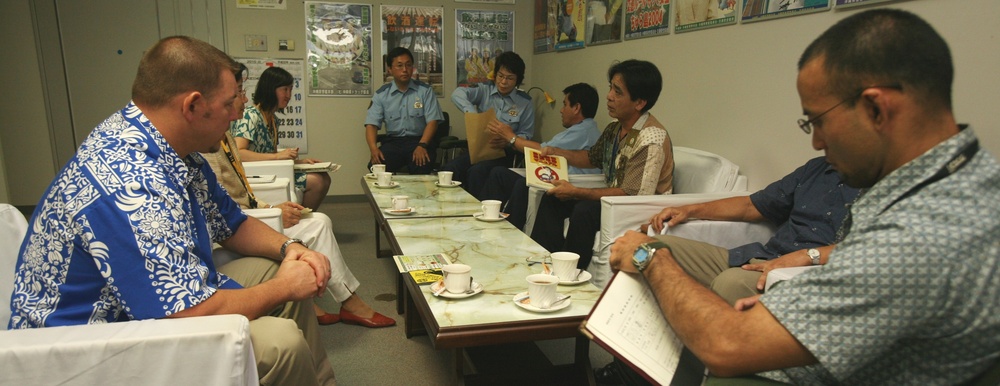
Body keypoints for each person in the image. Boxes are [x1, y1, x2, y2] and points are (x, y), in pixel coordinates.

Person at [608, 9, 999, 384]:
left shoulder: (920, 233)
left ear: (876, 108)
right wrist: (796, 308)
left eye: (818, 121)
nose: (816, 141)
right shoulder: (963, 182)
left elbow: (729, 344)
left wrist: (649, 256)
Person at [8, 36, 338, 385]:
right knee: (280, 343)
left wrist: (292, 249)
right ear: (193, 105)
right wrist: (286, 287)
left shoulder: (174, 149)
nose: (239, 111)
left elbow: (232, 224)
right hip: (80, 350)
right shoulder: (130, 183)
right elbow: (186, 314)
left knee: (281, 267)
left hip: (152, 308)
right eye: (230, 102)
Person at [592, 156, 857, 385]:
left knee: (729, 282)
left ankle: (689, 378)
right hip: (757, 255)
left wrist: (810, 255)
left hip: (791, 275)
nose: (818, 140)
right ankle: (630, 368)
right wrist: (689, 210)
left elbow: (869, 250)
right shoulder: (817, 168)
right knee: (647, 248)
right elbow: (752, 205)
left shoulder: (884, 191)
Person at [206, 63, 395, 328]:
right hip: (239, 229)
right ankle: (348, 302)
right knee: (318, 222)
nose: (245, 99)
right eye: (238, 93)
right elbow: (224, 214)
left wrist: (273, 203)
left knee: (319, 219)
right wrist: (271, 208)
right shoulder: (211, 144)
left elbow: (232, 200)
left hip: (251, 212)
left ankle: (335, 300)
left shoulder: (224, 135)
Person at [532, 59, 673, 270]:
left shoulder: (651, 138)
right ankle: (541, 263)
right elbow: (592, 158)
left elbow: (632, 195)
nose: (609, 96)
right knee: (553, 197)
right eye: (611, 88)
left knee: (584, 210)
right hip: (613, 201)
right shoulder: (615, 128)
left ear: (639, 102)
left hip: (641, 210)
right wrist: (556, 152)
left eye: (617, 92)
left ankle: (569, 273)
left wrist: (577, 192)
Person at [478, 82, 603, 229]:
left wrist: (510, 137)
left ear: (576, 108)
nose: (561, 110)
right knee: (499, 173)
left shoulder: (582, 131)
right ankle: (489, 220)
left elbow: (541, 150)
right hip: (554, 176)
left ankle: (504, 228)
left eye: (565, 105)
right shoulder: (585, 128)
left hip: (568, 183)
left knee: (511, 180)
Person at [232, 66, 331, 211]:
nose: (289, 95)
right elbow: (238, 152)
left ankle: (300, 215)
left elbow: (269, 155)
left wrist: (300, 162)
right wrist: (278, 156)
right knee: (317, 181)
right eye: (284, 89)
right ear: (271, 89)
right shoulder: (250, 115)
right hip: (256, 175)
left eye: (290, 89)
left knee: (324, 177)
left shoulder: (273, 120)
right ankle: (300, 217)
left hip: (270, 171)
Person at [443, 51, 535, 198]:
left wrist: (508, 140)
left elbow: (527, 136)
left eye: (510, 78)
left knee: (477, 172)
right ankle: (451, 209)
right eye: (500, 76)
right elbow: (457, 94)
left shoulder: (525, 102)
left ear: (518, 80)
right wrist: (473, 113)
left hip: (504, 154)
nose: (503, 82)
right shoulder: (484, 90)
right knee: (450, 169)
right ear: (495, 74)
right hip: (478, 149)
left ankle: (479, 212)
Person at [365, 47, 443, 175]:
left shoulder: (425, 91)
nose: (405, 70)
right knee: (377, 167)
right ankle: (389, 196)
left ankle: (418, 195)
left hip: (420, 141)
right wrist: (373, 149)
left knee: (421, 166)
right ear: (390, 69)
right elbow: (371, 125)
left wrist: (422, 145)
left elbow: (433, 122)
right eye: (399, 66)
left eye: (408, 65)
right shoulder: (381, 95)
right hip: (394, 143)